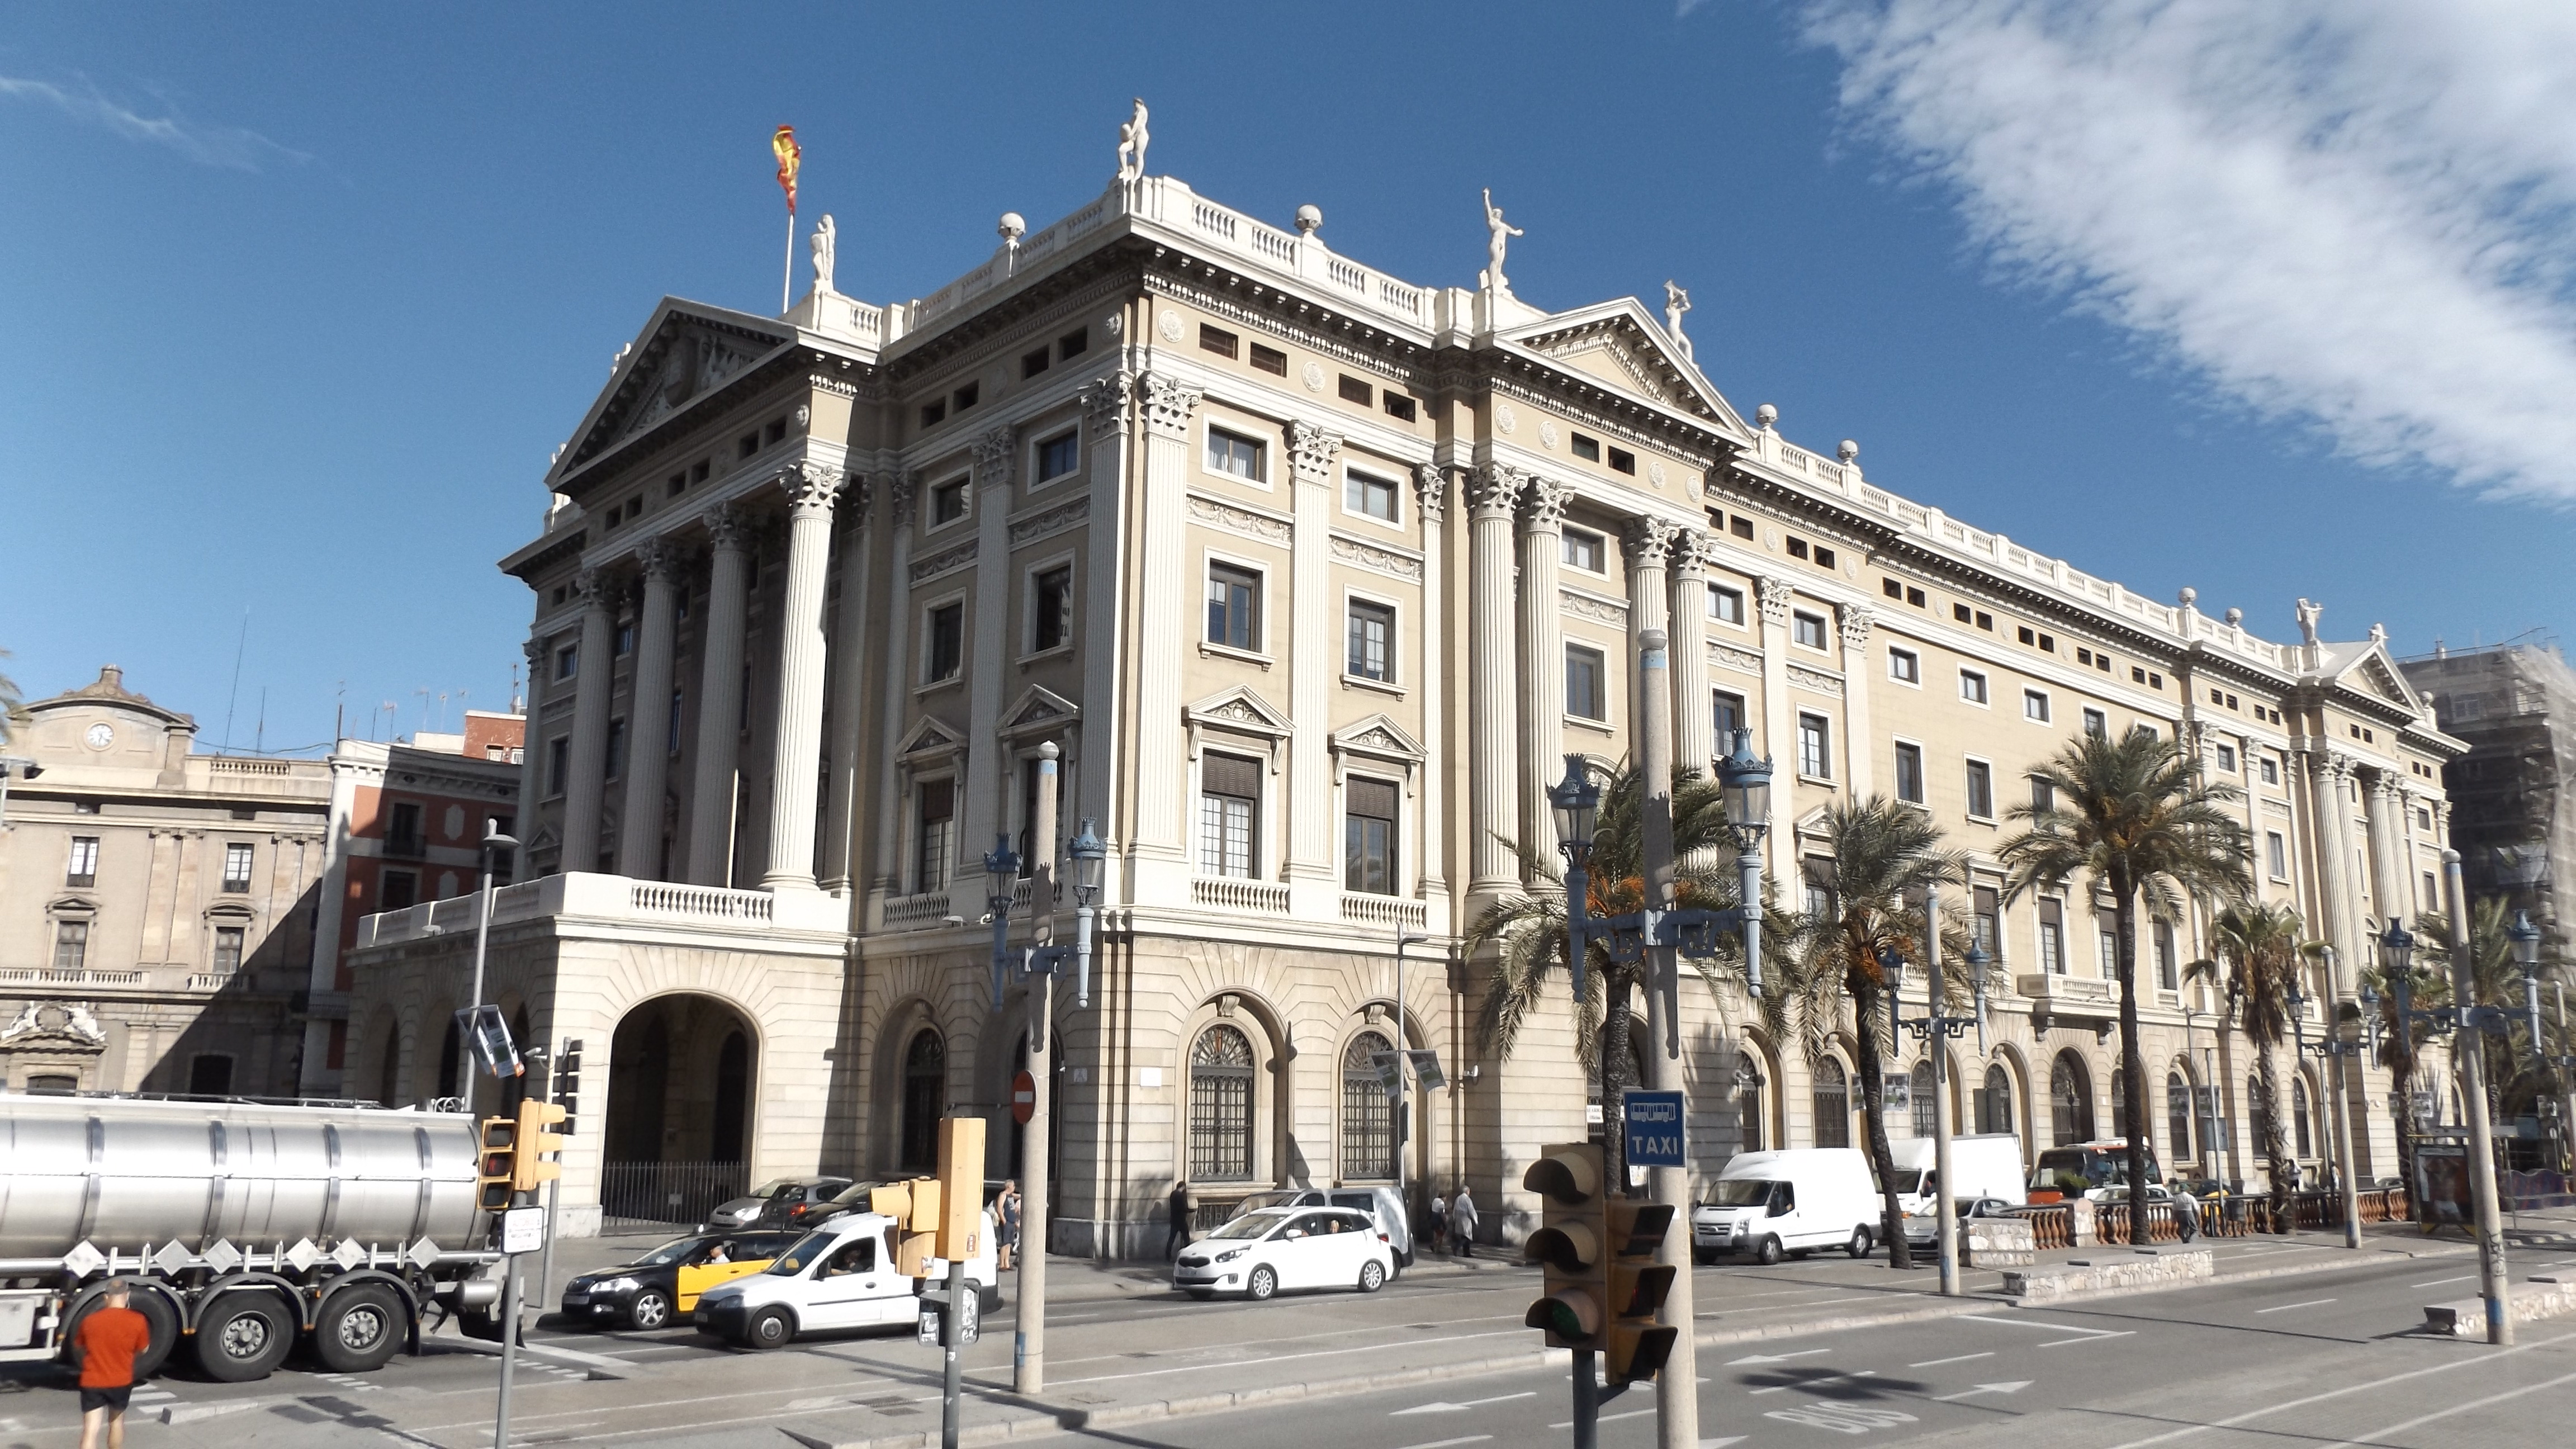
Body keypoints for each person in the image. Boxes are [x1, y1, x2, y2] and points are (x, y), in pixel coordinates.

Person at [73, 1279, 152, 1449]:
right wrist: (129, 1355)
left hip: (92, 1380)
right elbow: (144, 1349)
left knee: (90, 1429)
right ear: (127, 1295)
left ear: (106, 1297)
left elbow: (79, 1347)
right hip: (121, 1380)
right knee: (116, 1422)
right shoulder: (138, 1320)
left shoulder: (90, 1320)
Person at [997, 1180, 1021, 1272]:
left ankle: (1007, 1263)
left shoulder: (1011, 1195)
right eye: (1013, 1186)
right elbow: (999, 1208)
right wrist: (1004, 1220)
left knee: (1009, 1244)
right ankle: (1002, 1264)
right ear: (1009, 1187)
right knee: (1004, 1243)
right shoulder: (1003, 1195)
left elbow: (1019, 1196)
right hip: (1006, 1222)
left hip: (1012, 1222)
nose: (1014, 1187)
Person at [1450, 1184, 1479, 1259]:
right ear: (1467, 1191)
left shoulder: (1458, 1198)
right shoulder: (1467, 1199)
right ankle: (1457, 1247)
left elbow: (1455, 1209)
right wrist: (1476, 1220)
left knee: (1463, 1235)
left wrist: (1454, 1218)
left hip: (1459, 1218)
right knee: (1467, 1236)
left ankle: (1466, 1253)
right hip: (1465, 1218)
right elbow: (1471, 1210)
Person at [1167, 1179, 1192, 1261]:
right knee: (1186, 1238)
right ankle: (1188, 1254)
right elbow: (1183, 1208)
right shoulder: (1181, 1196)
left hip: (1174, 1219)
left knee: (1172, 1238)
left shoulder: (1173, 1194)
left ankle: (1168, 1255)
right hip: (1181, 1220)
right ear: (1183, 1187)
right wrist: (1191, 1210)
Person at [1426, 1191, 1449, 1256]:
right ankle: (1437, 1249)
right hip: (1438, 1220)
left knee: (1436, 1233)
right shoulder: (1442, 1203)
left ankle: (1433, 1244)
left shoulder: (1435, 1200)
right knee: (1440, 1235)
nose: (1445, 1199)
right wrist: (1445, 1222)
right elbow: (1442, 1213)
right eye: (1445, 1198)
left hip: (1433, 1218)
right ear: (1444, 1197)